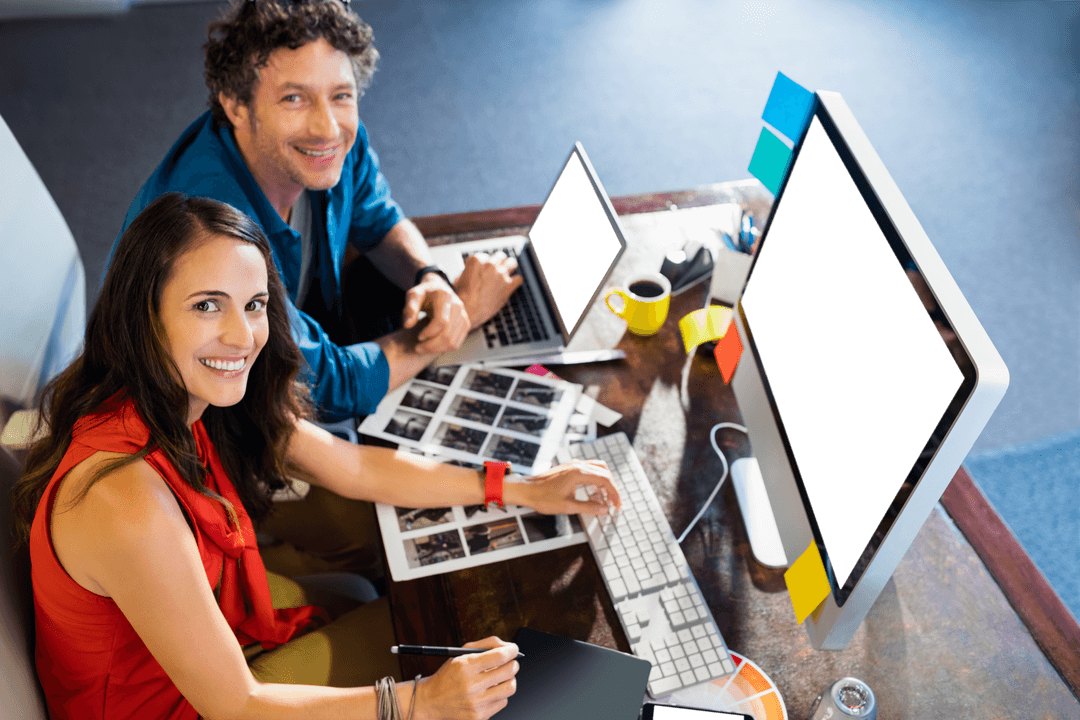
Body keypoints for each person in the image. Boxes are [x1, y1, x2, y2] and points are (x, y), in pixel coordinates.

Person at [12, 194, 619, 720]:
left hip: (202, 647)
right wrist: (421, 703)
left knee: (378, 605)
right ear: (144, 317)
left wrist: (520, 487)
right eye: (206, 305)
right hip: (185, 708)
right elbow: (235, 704)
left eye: (253, 305)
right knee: (426, 636)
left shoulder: (194, 393)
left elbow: (351, 467)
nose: (242, 336)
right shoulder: (123, 499)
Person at [111, 0, 525, 581]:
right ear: (235, 104)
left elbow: (379, 220)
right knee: (391, 539)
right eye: (293, 98)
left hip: (283, 382)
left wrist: (430, 280)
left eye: (341, 95)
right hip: (215, 429)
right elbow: (329, 386)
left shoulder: (326, 142)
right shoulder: (214, 231)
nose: (328, 126)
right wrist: (452, 323)